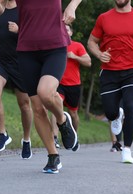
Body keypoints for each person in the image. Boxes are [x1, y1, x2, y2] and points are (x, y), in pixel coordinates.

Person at [0, 0, 81, 174]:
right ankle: (53, 156)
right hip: (26, 50)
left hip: (55, 46)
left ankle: (62, 121)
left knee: (45, 92)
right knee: (38, 107)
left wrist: (72, 6)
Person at [87, 0, 133, 164]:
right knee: (110, 112)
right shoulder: (104, 18)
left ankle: (127, 150)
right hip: (109, 71)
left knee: (130, 105)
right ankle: (116, 116)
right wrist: (99, 54)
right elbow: (91, 42)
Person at [0, 0, 33, 159]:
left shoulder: (24, 8)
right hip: (2, 60)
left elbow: (35, 33)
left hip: (21, 61)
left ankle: (26, 140)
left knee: (24, 104)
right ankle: (2, 133)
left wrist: (19, 30)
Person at [50, 24, 92, 152]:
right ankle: (55, 138)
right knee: (55, 108)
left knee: (73, 113)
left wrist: (75, 57)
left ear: (71, 33)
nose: (64, 31)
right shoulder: (54, 45)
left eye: (67, 30)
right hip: (58, 83)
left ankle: (74, 136)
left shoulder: (77, 46)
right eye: (62, 29)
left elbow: (88, 62)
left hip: (73, 85)